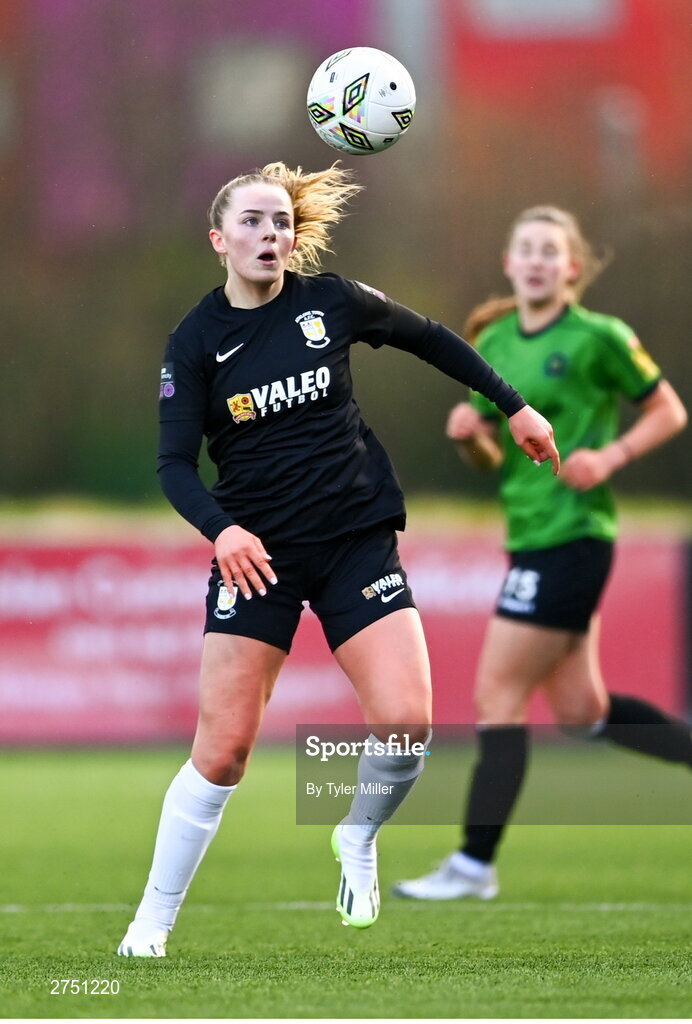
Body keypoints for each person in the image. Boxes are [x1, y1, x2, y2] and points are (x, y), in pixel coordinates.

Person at [116, 164, 558, 956]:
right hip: (258, 558)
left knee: (407, 724)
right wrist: (223, 532)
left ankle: (356, 836)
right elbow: (174, 466)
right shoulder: (195, 342)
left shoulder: (331, 302)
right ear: (219, 240)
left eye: (281, 222)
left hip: (356, 539)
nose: (270, 235)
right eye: (251, 222)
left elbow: (431, 339)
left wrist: (514, 406)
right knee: (222, 754)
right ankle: (153, 920)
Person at [392, 205, 690, 903]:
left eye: (549, 252)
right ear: (507, 263)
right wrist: (469, 436)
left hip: (575, 536)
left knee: (497, 695)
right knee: (583, 710)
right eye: (524, 249)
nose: (535, 260)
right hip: (528, 537)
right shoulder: (492, 341)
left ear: (572, 269)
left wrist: (611, 454)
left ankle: (473, 864)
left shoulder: (599, 337)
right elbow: (492, 461)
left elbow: (669, 409)